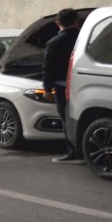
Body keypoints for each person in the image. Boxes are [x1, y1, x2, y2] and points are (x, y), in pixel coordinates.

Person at [42, 8, 83, 163]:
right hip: (86, 84)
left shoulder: (54, 43)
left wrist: (47, 89)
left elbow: (49, 68)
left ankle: (72, 152)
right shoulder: (85, 39)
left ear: (57, 23)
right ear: (77, 21)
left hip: (63, 87)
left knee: (67, 119)